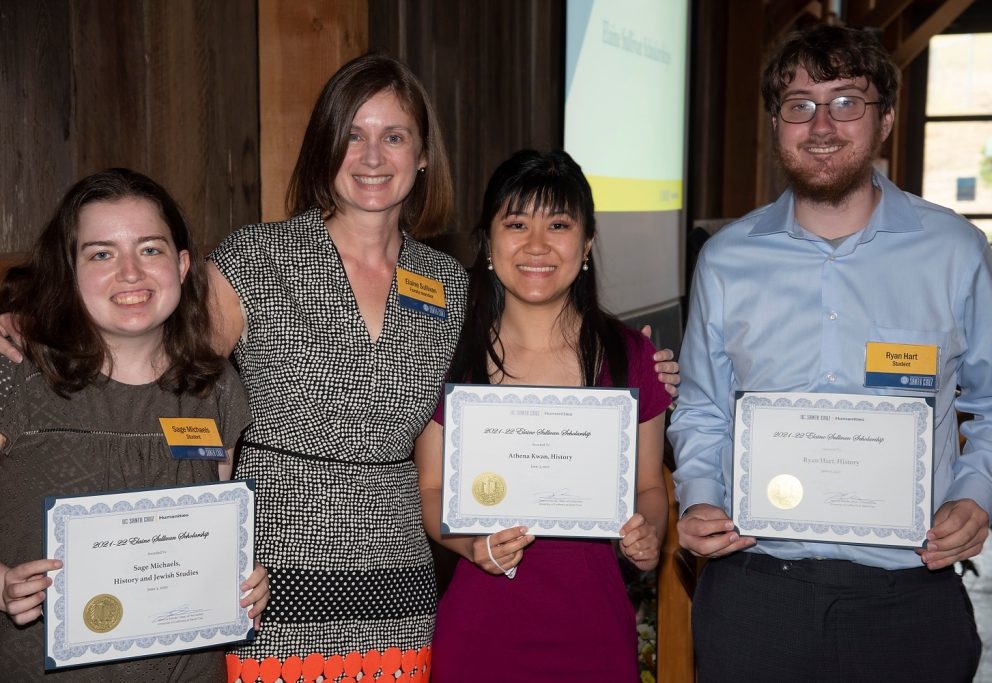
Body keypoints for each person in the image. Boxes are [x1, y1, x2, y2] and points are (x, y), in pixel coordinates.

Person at [0, 55, 678, 680]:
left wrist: (645, 370)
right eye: (353, 135)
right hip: (267, 586)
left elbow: (532, 354)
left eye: (394, 136)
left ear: (422, 156)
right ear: (325, 146)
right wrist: (37, 319)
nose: (373, 156)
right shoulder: (255, 260)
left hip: (400, 589)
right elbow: (150, 345)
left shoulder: (450, 284)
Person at [668, 24, 992, 682]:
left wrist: (977, 496)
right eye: (799, 104)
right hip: (754, 593)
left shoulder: (955, 252)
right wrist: (698, 498)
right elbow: (702, 409)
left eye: (846, 102)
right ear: (776, 125)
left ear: (884, 119)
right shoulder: (726, 260)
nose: (822, 125)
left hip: (909, 596)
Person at [0, 168, 268, 681]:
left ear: (182, 265)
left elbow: (215, 525)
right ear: (69, 270)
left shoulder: (216, 386)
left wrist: (243, 580)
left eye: (149, 249)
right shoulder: (18, 373)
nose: (130, 273)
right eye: (101, 254)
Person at [415, 149, 671, 682]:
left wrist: (649, 533)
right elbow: (431, 490)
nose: (537, 245)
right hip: (480, 630)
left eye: (558, 224)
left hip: (594, 629)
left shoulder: (631, 357)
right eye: (516, 224)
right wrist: (472, 545)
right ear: (488, 242)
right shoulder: (448, 353)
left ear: (587, 243)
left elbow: (650, 485)